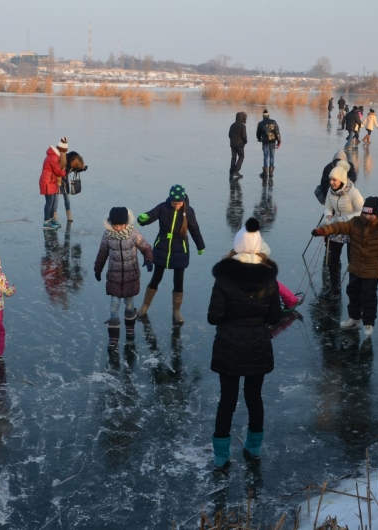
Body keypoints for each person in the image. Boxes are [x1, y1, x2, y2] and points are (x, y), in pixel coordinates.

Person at [207, 219, 283, 468]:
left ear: (237, 246)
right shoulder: (269, 278)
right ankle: (254, 446)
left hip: (229, 345)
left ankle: (220, 456)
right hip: (258, 345)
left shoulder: (224, 278)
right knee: (254, 397)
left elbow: (213, 317)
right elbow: (274, 317)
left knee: (227, 400)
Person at [311, 197, 378, 337]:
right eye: (365, 213)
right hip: (355, 266)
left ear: (376, 214)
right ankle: (354, 318)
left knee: (368, 296)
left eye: (370, 214)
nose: (367, 216)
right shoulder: (355, 222)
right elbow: (339, 227)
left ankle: (368, 323)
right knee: (352, 292)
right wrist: (323, 231)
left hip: (372, 270)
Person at [137, 184, 205, 324]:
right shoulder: (163, 207)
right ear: (170, 199)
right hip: (162, 247)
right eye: (174, 203)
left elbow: (194, 229)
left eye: (179, 203)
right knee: (156, 278)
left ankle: (176, 311)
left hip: (180, 249)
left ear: (183, 200)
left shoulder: (189, 212)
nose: (176, 206)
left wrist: (200, 245)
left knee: (178, 281)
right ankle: (144, 306)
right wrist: (143, 219)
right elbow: (150, 216)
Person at [94, 207, 154, 350]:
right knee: (114, 306)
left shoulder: (133, 233)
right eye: (116, 225)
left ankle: (130, 328)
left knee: (129, 304)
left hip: (130, 276)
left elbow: (145, 246)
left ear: (126, 223)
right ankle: (113, 337)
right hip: (114, 277)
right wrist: (98, 269)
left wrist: (149, 259)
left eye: (121, 225)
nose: (119, 228)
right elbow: (102, 253)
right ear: (111, 223)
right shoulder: (108, 235)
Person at [320, 162, 364, 296]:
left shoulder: (353, 193)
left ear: (342, 180)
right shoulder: (330, 191)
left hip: (352, 229)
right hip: (336, 227)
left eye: (334, 180)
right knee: (333, 259)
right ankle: (335, 287)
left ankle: (354, 288)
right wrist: (328, 216)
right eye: (330, 180)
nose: (331, 182)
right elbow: (328, 205)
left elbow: (362, 211)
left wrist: (346, 219)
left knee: (352, 260)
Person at [39, 137, 68, 230]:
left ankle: (51, 219)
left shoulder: (55, 156)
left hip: (51, 181)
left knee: (53, 201)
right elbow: (57, 171)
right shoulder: (53, 157)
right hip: (47, 182)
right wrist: (65, 172)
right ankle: (46, 222)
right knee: (49, 202)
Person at [255, 109, 281, 179]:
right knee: (272, 155)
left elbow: (258, 133)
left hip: (265, 142)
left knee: (266, 156)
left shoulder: (260, 123)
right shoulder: (273, 122)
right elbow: (277, 132)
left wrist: (259, 139)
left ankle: (265, 172)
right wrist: (279, 141)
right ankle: (271, 172)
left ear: (263, 116)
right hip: (272, 141)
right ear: (268, 115)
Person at [228, 111, 247, 180]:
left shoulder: (232, 125)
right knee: (241, 156)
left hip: (232, 144)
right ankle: (236, 171)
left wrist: (233, 140)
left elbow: (229, 135)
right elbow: (244, 136)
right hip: (240, 144)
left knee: (233, 157)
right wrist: (245, 141)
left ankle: (231, 172)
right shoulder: (242, 126)